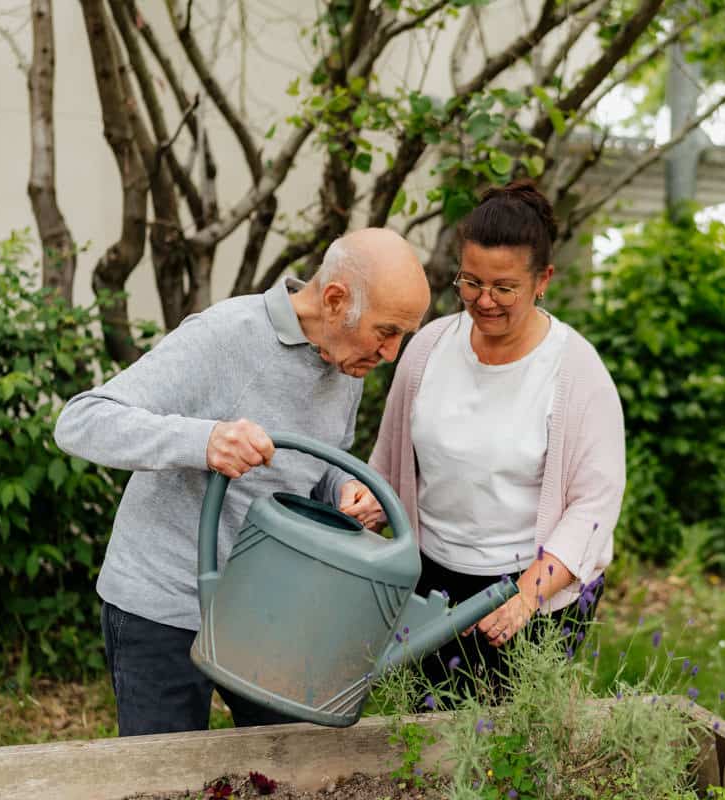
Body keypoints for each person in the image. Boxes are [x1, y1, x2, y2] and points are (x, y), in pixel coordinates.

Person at [54, 228, 429, 735]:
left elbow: (320, 462)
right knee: (166, 779)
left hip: (266, 608)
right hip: (163, 601)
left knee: (288, 759)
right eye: (386, 331)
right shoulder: (227, 334)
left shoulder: (345, 363)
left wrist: (342, 488)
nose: (391, 353)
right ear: (336, 300)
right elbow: (82, 421)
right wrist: (205, 440)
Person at [367, 181, 625, 699]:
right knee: (424, 737)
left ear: (542, 280)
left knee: (515, 750)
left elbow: (593, 505)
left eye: (504, 288)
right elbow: (391, 461)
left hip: (531, 591)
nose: (483, 301)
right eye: (470, 282)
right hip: (431, 582)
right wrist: (369, 499)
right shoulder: (429, 350)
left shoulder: (576, 372)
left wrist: (527, 596)